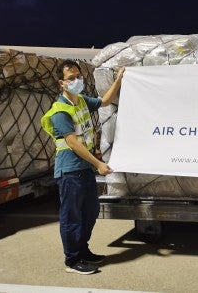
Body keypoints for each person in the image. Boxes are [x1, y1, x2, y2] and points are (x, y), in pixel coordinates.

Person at [41, 60, 125, 275]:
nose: (77, 80)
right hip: (69, 171)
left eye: (79, 76)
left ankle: (82, 250)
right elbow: (73, 142)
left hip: (84, 169)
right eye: (71, 78)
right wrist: (98, 163)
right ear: (62, 83)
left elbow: (105, 101)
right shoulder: (60, 111)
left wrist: (118, 80)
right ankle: (72, 260)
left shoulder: (81, 101)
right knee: (72, 216)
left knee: (90, 211)